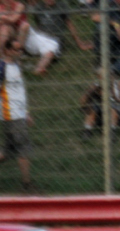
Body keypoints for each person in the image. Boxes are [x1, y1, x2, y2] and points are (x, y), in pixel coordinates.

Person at [0, 37, 35, 192]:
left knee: (7, 152)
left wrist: (26, 112)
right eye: (16, 49)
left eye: (21, 49)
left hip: (19, 114)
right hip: (10, 114)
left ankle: (27, 185)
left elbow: (20, 92)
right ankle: (27, 185)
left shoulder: (17, 66)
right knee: (23, 149)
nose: (20, 52)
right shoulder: (2, 67)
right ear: (7, 50)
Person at [26, 0, 91, 75]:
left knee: (50, 52)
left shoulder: (61, 6)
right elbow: (38, 23)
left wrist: (80, 43)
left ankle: (38, 69)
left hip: (54, 39)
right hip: (41, 36)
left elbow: (69, 24)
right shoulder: (39, 7)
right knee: (25, 29)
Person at [79, 70, 120, 139]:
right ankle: (87, 130)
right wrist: (91, 91)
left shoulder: (118, 84)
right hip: (101, 111)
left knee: (113, 107)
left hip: (118, 111)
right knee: (92, 107)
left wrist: (115, 97)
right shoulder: (96, 85)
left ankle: (111, 132)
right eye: (101, 77)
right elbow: (82, 101)